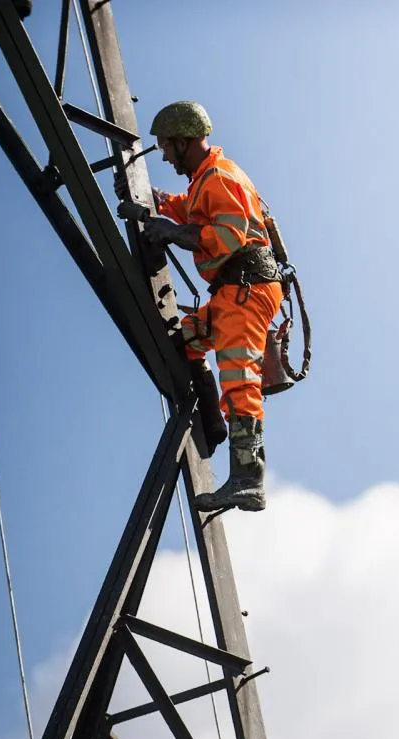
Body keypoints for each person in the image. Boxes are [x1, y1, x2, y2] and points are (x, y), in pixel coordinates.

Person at [121, 100, 281, 512]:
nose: (165, 157)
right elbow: (188, 209)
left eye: (167, 147)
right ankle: (211, 425)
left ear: (184, 140)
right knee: (184, 343)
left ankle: (248, 480)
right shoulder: (204, 180)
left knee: (239, 377)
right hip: (232, 293)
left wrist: (171, 232)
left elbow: (226, 237)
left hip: (245, 290)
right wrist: (154, 202)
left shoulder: (219, 177)